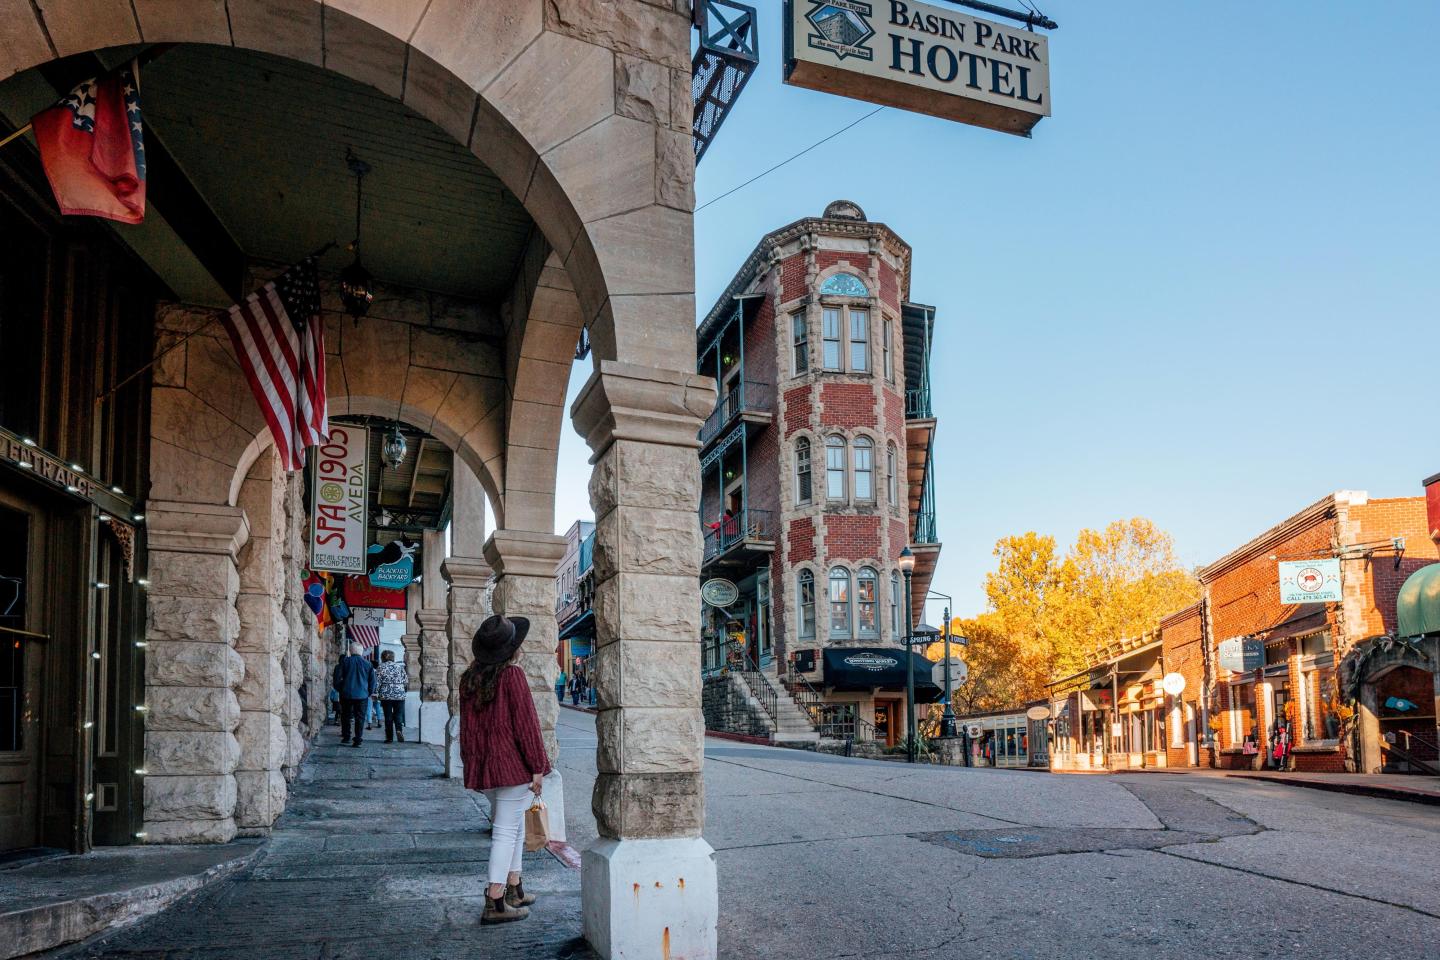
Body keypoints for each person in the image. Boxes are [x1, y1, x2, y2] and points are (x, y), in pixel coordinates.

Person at [459, 614, 550, 924]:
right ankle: (495, 900)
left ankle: (515, 888)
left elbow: (467, 728)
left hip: (485, 768)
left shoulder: (469, 678)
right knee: (506, 832)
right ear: (512, 649)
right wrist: (537, 766)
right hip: (511, 767)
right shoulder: (511, 676)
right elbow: (526, 725)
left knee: (513, 827)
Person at [332, 642, 377, 747]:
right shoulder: (368, 664)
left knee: (345, 716)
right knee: (360, 718)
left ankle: (346, 737)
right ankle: (358, 739)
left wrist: (340, 689)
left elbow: (337, 678)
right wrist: (369, 692)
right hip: (362, 695)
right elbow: (372, 681)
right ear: (361, 652)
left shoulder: (344, 662)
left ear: (351, 651)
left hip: (346, 694)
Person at [377, 650, 409, 743]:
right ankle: (399, 730)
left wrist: (375, 693)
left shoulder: (381, 667)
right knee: (398, 715)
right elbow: (406, 681)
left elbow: (378, 682)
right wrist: (403, 690)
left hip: (386, 694)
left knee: (388, 716)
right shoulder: (400, 667)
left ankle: (389, 737)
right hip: (399, 694)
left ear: (383, 657)